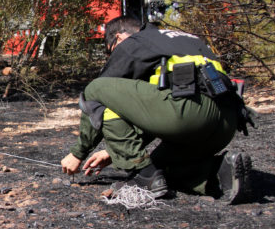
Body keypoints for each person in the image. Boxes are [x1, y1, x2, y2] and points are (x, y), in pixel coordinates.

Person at [60, 15, 254, 203]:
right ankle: (219, 172)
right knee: (158, 169)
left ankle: (144, 178)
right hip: (226, 124)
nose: (112, 56)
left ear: (118, 37)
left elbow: (97, 95)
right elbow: (148, 111)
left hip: (189, 113)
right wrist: (113, 151)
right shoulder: (183, 39)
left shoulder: (134, 42)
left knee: (96, 88)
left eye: (110, 50)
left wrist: (78, 153)